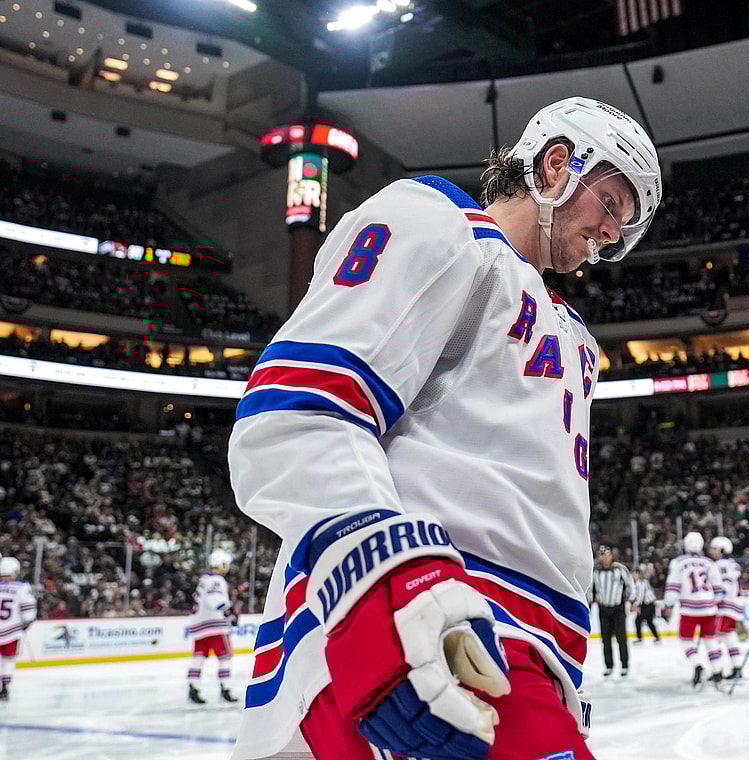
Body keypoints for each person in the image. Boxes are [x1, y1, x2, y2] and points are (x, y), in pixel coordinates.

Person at [228, 97, 661, 760]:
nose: (611, 233)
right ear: (557, 164)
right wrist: (386, 579)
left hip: (518, 641)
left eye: (626, 225)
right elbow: (305, 406)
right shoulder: (438, 222)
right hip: (438, 616)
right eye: (612, 203)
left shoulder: (573, 334)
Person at [663, 532, 726, 687]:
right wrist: (714, 603)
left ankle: (697, 665)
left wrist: (668, 605)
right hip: (709, 609)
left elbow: (673, 587)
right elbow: (719, 589)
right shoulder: (710, 563)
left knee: (686, 641)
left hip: (689, 610)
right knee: (711, 641)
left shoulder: (678, 563)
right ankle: (717, 671)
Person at [186, 549, 238, 704]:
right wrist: (229, 612)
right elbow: (214, 598)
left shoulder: (204, 579)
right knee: (225, 657)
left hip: (199, 625)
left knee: (199, 657)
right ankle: (226, 688)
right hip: (215, 625)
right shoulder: (216, 580)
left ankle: (193, 687)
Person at [590, 545, 633, 676]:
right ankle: (609, 665)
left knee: (621, 638)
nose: (605, 557)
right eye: (602, 555)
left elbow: (630, 585)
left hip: (618, 609)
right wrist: (590, 604)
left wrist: (631, 601)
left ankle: (624, 665)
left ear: (611, 556)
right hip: (603, 609)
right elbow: (591, 590)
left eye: (607, 554)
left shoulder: (620, 569)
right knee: (605, 640)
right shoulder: (595, 572)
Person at [708, 536, 745, 678]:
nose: (712, 551)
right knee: (730, 637)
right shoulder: (732, 563)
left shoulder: (721, 564)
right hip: (734, 606)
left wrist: (716, 600)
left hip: (724, 607)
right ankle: (737, 668)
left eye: (715, 549)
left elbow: (725, 585)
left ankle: (717, 670)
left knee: (713, 638)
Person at [0, 557, 36, 701]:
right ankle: (4, 688)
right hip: (11, 630)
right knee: (8, 660)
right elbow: (28, 611)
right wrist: (26, 623)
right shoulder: (21, 586)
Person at [631, 568, 660, 644]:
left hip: (648, 605)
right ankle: (657, 638)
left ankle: (640, 638)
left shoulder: (639, 583)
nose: (633, 576)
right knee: (649, 622)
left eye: (635, 574)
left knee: (638, 620)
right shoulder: (644, 581)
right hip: (649, 604)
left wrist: (635, 605)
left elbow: (641, 596)